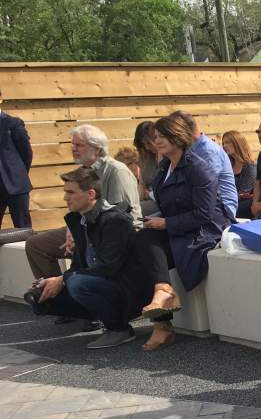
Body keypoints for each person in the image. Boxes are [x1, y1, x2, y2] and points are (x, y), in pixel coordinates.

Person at [134, 113, 229, 351]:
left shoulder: (198, 168)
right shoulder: (165, 167)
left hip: (203, 231)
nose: (157, 141)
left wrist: (166, 224)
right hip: (179, 227)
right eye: (155, 136)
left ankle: (161, 324)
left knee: (149, 247)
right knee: (141, 240)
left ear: (178, 136)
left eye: (163, 136)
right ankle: (163, 294)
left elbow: (204, 215)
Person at [30, 167, 153, 349]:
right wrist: (54, 281)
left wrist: (64, 278)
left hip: (130, 292)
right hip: (105, 285)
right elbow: (79, 264)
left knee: (77, 284)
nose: (65, 198)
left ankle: (119, 329)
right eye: (65, 192)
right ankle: (104, 319)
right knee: (41, 295)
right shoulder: (80, 221)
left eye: (71, 192)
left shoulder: (114, 220)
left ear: (90, 194)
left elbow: (109, 267)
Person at [27, 125, 142, 288]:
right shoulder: (81, 172)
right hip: (86, 226)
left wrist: (81, 233)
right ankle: (54, 292)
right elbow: (76, 212)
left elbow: (122, 213)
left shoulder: (117, 171)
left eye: (79, 145)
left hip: (111, 232)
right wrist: (70, 231)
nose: (73, 149)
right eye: (72, 144)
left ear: (96, 149)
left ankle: (67, 289)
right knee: (36, 245)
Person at [173, 112, 237, 222]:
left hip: (222, 210)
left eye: (172, 133)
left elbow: (207, 187)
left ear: (183, 131)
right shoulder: (191, 148)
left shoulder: (208, 151)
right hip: (203, 206)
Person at [0, 90, 33, 228]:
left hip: (16, 185)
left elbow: (27, 153)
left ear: (1, 98)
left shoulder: (13, 123)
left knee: (23, 228)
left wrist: (18, 174)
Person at [222, 130, 257, 219]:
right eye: (223, 143)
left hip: (241, 205)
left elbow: (243, 194)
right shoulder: (227, 165)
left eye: (228, 142)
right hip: (227, 202)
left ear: (237, 144)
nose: (224, 146)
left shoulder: (249, 167)